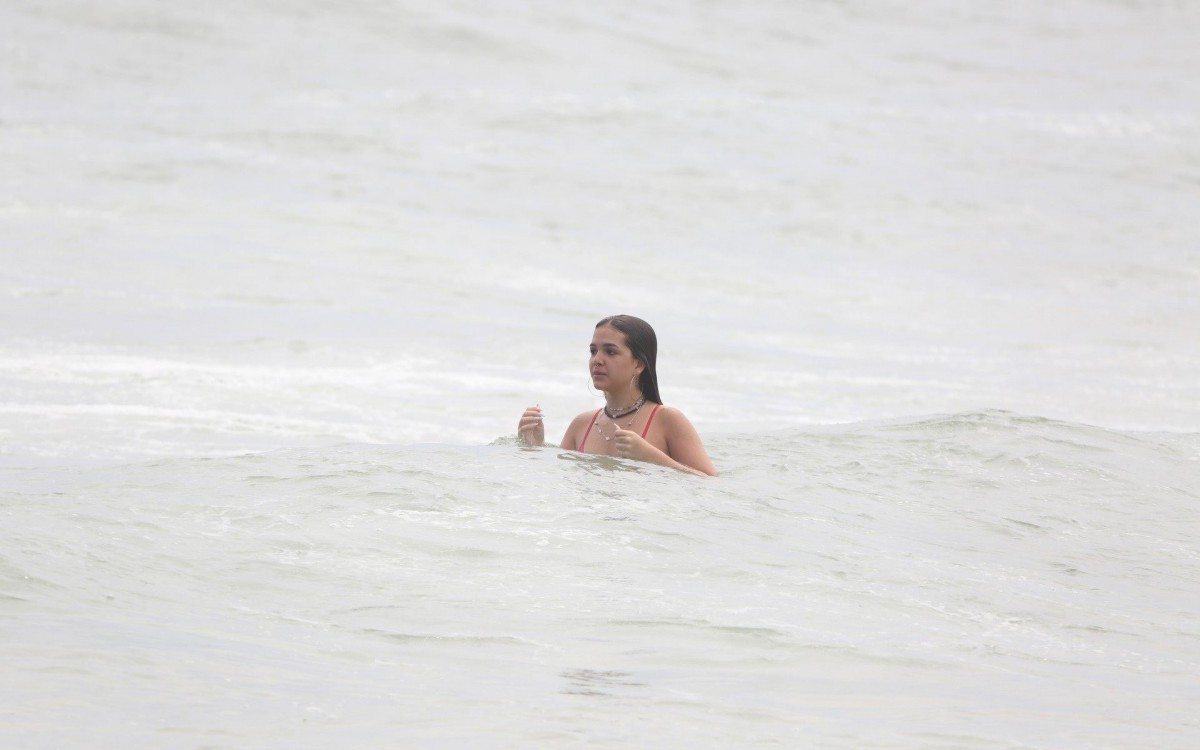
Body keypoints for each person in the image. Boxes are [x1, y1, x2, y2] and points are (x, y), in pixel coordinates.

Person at [517, 315, 717, 476]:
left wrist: (651, 457)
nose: (597, 360)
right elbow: (561, 487)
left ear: (638, 364)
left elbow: (708, 484)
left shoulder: (667, 419)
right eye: (593, 351)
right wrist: (534, 448)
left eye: (610, 352)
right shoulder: (581, 424)